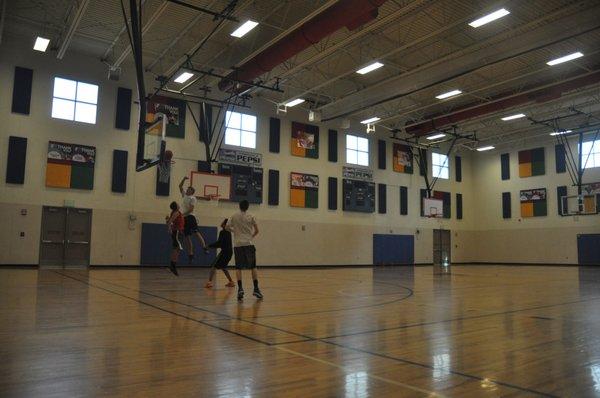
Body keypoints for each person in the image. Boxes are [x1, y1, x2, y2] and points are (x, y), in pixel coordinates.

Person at [226, 200, 263, 301]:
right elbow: (257, 231)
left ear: (239, 206)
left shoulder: (233, 216)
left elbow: (226, 227)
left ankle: (240, 289)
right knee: (253, 267)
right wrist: (250, 237)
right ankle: (256, 288)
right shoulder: (251, 216)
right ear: (247, 207)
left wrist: (235, 232)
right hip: (248, 243)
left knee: (238, 267)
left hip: (238, 244)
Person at [179, 176, 208, 263]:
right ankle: (191, 254)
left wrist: (182, 215)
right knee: (187, 236)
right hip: (185, 218)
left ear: (192, 192)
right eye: (187, 189)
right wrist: (183, 179)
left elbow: (191, 210)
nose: (187, 190)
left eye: (189, 189)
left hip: (190, 217)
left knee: (196, 232)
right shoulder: (184, 196)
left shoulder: (193, 198)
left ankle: (204, 247)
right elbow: (180, 186)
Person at [205, 219, 236, 288]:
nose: (221, 223)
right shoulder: (228, 232)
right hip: (229, 252)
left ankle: (209, 282)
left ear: (225, 225)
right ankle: (231, 282)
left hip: (225, 252)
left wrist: (209, 246)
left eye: (223, 222)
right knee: (223, 267)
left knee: (213, 266)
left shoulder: (223, 232)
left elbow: (219, 243)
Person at [166, 201, 184, 276]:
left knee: (176, 248)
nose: (179, 204)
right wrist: (169, 228)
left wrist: (169, 223)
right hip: (177, 232)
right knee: (177, 248)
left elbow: (169, 221)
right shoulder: (176, 212)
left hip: (178, 232)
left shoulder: (176, 212)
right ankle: (172, 265)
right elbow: (170, 221)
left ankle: (172, 265)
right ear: (176, 206)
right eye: (177, 204)